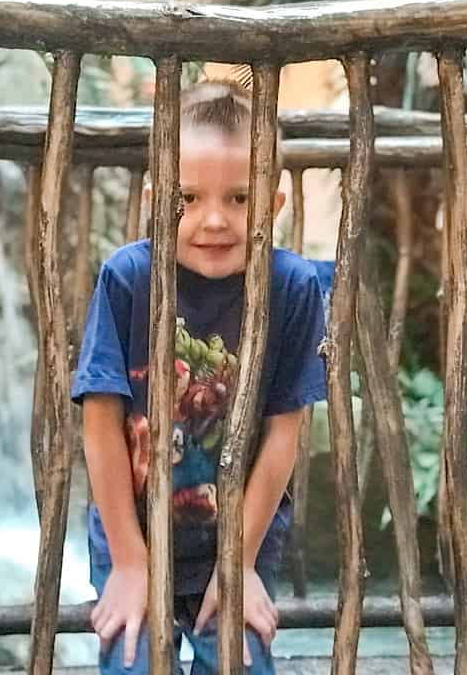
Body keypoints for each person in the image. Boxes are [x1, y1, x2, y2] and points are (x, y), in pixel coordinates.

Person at [71, 79, 327, 675]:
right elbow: (101, 424)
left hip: (240, 538)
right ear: (158, 199)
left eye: (240, 198)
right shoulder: (128, 278)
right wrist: (132, 563)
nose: (214, 220)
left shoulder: (291, 289)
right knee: (134, 658)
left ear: (274, 205)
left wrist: (237, 564)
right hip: (135, 534)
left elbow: (285, 433)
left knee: (239, 662)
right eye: (188, 197)